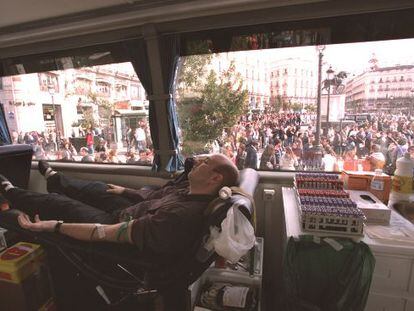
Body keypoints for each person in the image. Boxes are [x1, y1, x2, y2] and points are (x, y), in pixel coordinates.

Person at [0, 154, 239, 258]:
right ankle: (54, 179)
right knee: (97, 187)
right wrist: (124, 191)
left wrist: (56, 226)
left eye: (205, 162)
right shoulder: (188, 189)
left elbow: (110, 233)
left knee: (59, 204)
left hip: (116, 224)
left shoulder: (179, 217)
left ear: (215, 178)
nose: (196, 162)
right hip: (131, 210)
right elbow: (153, 197)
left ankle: (11, 191)